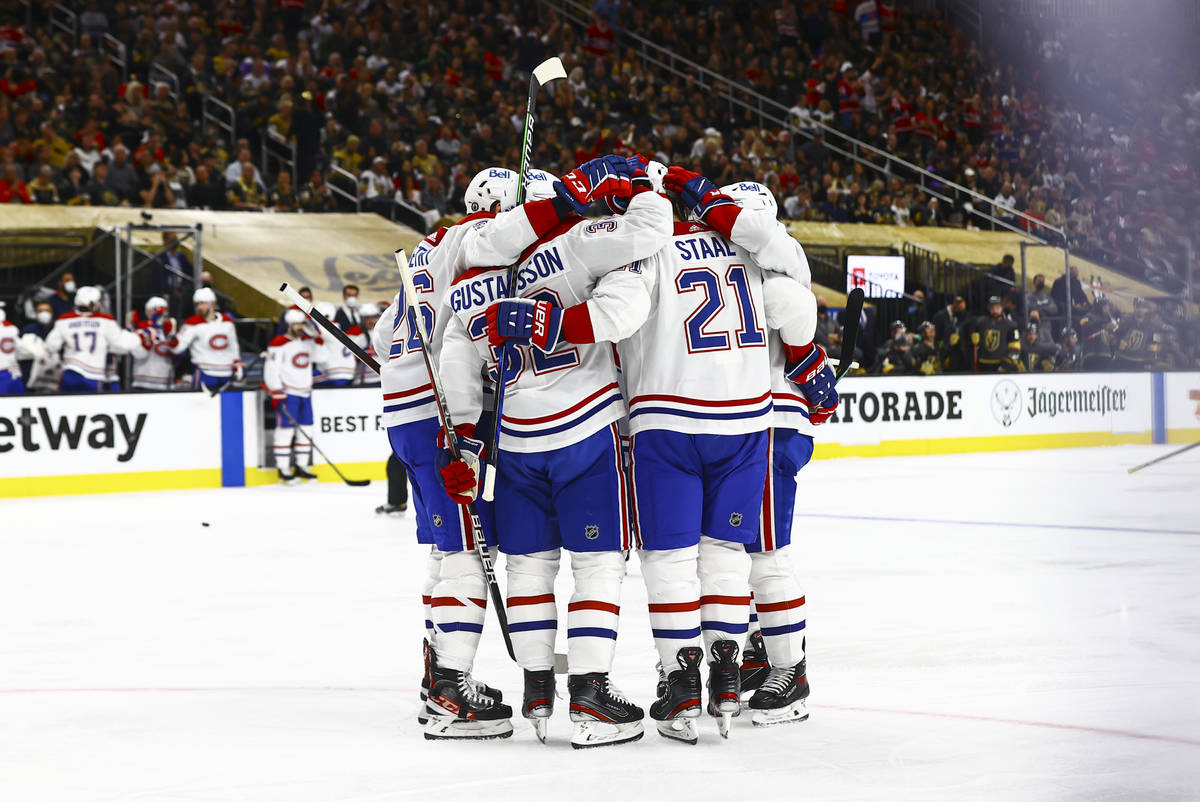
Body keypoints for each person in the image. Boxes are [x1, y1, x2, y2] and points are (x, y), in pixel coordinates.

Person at [371, 162, 633, 742]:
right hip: (444, 413)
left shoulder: (428, 253)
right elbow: (506, 238)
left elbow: (387, 331)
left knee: (447, 551)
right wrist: (567, 200)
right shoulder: (471, 241)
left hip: (408, 409)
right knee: (467, 554)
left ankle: (438, 674)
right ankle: (449, 691)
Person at [440, 155, 669, 748]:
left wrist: (462, 447)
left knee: (529, 567)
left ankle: (537, 687)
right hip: (585, 429)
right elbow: (647, 237)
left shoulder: (465, 280)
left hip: (515, 442)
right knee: (597, 565)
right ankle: (590, 695)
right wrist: (643, 185)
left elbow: (458, 378)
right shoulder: (573, 244)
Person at [617, 166, 825, 743]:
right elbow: (799, 319)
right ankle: (735, 670)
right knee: (733, 551)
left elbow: (622, 317)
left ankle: (713, 678)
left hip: (686, 418)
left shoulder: (662, 247)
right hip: (753, 423)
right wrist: (812, 364)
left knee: (694, 556)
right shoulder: (769, 260)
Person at [719, 181, 822, 727]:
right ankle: (763, 653)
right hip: (768, 424)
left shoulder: (765, 271)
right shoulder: (772, 265)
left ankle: (791, 674)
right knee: (747, 549)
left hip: (768, 426)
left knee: (765, 554)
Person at [43, 286, 139, 392]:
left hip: (70, 372)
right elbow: (122, 345)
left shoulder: (64, 320)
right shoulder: (105, 321)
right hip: (94, 375)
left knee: (66, 406)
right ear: (95, 303)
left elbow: (51, 346)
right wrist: (135, 335)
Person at [265, 309, 318, 483]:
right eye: (296, 324)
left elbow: (323, 357)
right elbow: (271, 369)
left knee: (306, 430)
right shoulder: (279, 342)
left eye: (301, 324)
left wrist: (317, 338)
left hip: (305, 392)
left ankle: (302, 466)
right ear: (288, 324)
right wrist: (276, 391)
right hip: (288, 394)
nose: (299, 327)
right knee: (285, 431)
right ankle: (283, 468)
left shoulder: (308, 342)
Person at [171, 287, 243, 390]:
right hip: (204, 373)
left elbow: (233, 346)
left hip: (227, 373)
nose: (199, 307)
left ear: (212, 303)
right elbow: (177, 348)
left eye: (202, 303)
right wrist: (171, 336)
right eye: (197, 304)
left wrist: (237, 364)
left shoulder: (227, 321)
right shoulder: (192, 323)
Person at [130, 296, 177, 390]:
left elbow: (177, 358)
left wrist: (171, 337)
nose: (161, 313)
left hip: (165, 382)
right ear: (147, 311)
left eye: (164, 310)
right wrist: (152, 330)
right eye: (156, 310)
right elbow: (138, 354)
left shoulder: (169, 328)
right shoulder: (140, 328)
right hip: (143, 382)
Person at [965, 296, 1021, 373]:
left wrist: (1005, 365)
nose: (994, 310)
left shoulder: (1011, 326)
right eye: (992, 308)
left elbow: (1015, 349)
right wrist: (972, 339)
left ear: (1002, 308)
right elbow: (971, 343)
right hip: (983, 365)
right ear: (988, 308)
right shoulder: (980, 322)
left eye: (997, 308)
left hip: (1002, 366)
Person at [312, 301, 357, 386]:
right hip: (348, 373)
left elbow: (311, 328)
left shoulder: (325, 328)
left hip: (334, 374)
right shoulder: (339, 328)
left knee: (302, 378)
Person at [1111, 299, 1160, 371]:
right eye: (1138, 307)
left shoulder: (1154, 325)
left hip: (1140, 361)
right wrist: (1118, 342)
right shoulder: (1126, 320)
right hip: (1122, 358)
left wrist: (1150, 362)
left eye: (1143, 308)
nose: (1140, 309)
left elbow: (1154, 344)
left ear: (1148, 310)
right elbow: (1115, 335)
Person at [0, 307, 26, 394]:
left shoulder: (11, 329)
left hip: (7, 372)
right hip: (12, 372)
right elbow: (21, 352)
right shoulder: (12, 329)